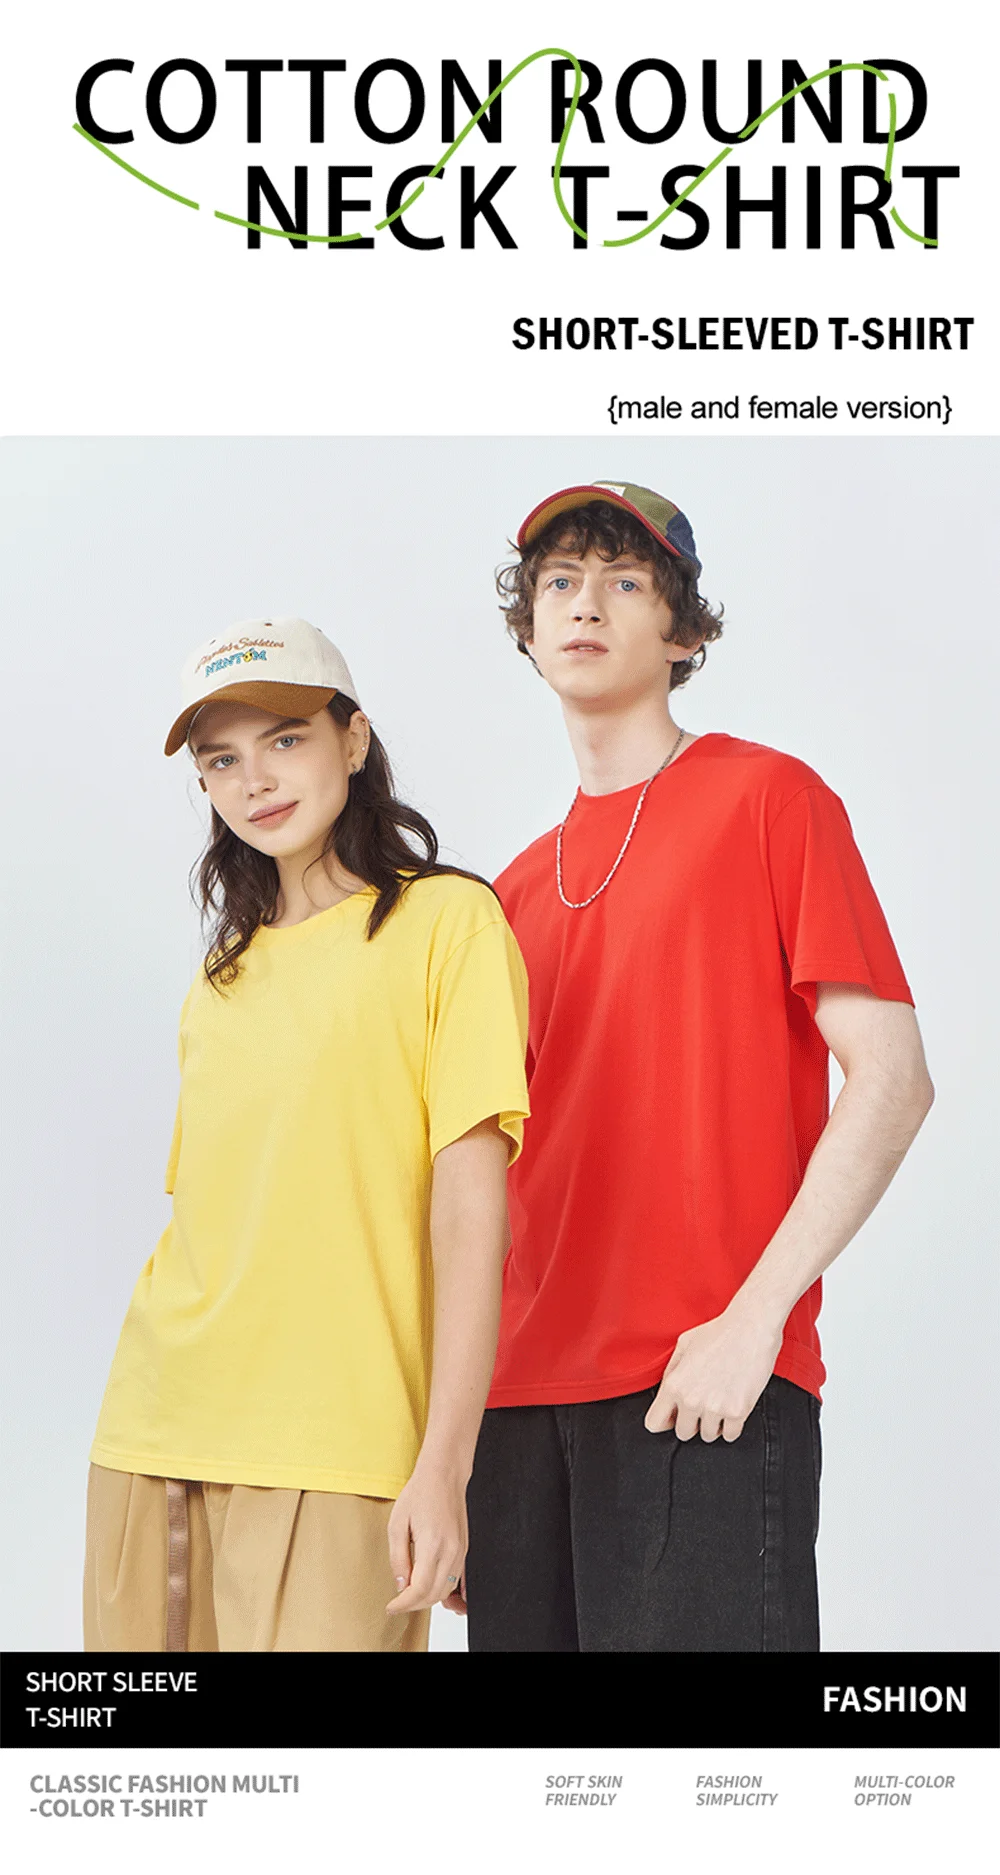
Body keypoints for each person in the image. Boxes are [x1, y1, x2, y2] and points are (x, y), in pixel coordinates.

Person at [464, 480, 934, 1653]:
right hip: (512, 1417)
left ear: (682, 634)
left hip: (701, 1381)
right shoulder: (505, 897)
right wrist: (449, 1437)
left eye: (625, 581)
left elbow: (892, 1078)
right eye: (559, 582)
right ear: (528, 628)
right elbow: (481, 1184)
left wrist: (752, 1320)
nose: (585, 604)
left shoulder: (768, 800)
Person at [85, 617, 529, 1653]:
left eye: (285, 740)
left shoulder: (448, 925)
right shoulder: (221, 977)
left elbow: (471, 1214)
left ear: (354, 738)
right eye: (221, 761)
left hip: (341, 1443)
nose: (255, 782)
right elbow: (214, 1218)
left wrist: (448, 1465)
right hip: (155, 1424)